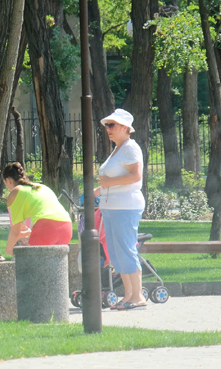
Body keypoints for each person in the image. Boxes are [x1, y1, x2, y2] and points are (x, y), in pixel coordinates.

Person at [95, 108, 145, 310]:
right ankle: (128, 295)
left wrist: (107, 183)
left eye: (112, 125)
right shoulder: (118, 149)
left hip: (126, 206)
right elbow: (110, 182)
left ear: (125, 127)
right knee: (116, 253)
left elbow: (136, 176)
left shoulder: (130, 148)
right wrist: (96, 191)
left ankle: (138, 296)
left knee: (126, 250)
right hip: (111, 207)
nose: (108, 128)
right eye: (107, 125)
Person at [2, 162, 73, 256]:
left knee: (30, 263)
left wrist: (9, 250)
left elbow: (15, 231)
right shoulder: (41, 187)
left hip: (46, 228)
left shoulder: (15, 192)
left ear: (8, 180)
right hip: (66, 227)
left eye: (5, 184)